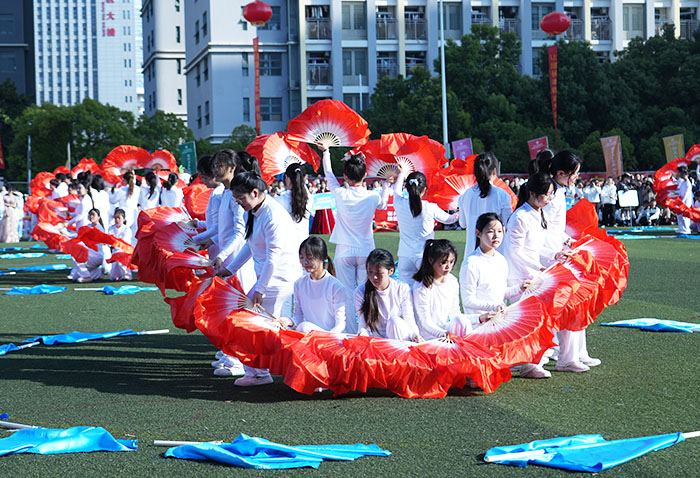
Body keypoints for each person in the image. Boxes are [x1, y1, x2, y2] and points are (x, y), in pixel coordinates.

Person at [223, 172, 303, 386]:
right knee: (260, 325)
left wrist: (261, 289)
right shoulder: (254, 211)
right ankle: (262, 371)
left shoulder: (272, 215)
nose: (239, 204)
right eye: (236, 200)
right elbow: (250, 246)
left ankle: (260, 372)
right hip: (269, 278)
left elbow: (272, 258)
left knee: (251, 322)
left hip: (279, 278)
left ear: (255, 193)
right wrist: (230, 269)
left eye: (241, 198)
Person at [319, 144, 391, 334]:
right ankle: (366, 331)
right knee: (366, 293)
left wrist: (326, 152)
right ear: (365, 175)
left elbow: (329, 174)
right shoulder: (372, 196)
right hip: (366, 250)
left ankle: (352, 333)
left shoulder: (341, 193)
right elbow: (384, 204)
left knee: (349, 296)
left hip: (344, 251)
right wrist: (387, 183)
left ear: (345, 176)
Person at [502, 172, 565, 379]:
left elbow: (535, 247)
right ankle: (528, 363)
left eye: (551, 194)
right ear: (532, 194)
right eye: (546, 194)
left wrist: (554, 255)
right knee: (526, 322)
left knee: (535, 320)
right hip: (520, 276)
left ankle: (529, 361)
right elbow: (515, 251)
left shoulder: (538, 213)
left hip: (533, 274)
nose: (549, 199)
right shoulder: (520, 216)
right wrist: (538, 267)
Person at [460, 213, 530, 330]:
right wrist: (493, 306)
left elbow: (499, 293)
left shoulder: (501, 260)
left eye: (499, 231)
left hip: (499, 323)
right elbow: (468, 300)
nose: (496, 236)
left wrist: (520, 288)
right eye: (490, 231)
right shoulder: (471, 263)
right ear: (478, 233)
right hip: (479, 326)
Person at [392, 171, 459, 282]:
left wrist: (401, 174)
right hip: (425, 256)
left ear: (407, 189)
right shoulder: (430, 208)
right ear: (424, 190)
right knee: (427, 289)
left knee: (405, 290)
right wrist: (461, 210)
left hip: (405, 256)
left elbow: (396, 191)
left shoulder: (399, 203)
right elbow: (450, 219)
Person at [355, 248, 421, 341]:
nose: (374, 277)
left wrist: (415, 335)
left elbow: (409, 319)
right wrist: (362, 335)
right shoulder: (360, 292)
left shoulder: (402, 288)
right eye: (370, 272)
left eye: (379, 273)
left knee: (394, 322)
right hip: (377, 341)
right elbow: (363, 325)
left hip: (400, 337)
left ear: (391, 271)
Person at [412, 239, 472, 339]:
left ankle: (468, 347)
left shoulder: (452, 281)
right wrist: (443, 334)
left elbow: (455, 313)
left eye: (451, 262)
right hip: (427, 336)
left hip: (445, 331)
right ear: (431, 260)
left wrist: (480, 318)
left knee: (462, 321)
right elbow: (425, 322)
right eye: (443, 262)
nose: (448, 266)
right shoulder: (421, 287)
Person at [457, 152, 513, 256]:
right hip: (496, 253)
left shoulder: (465, 196)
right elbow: (508, 225)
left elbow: (463, 224)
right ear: (495, 171)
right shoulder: (502, 195)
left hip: (471, 252)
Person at [292, 236, 347, 334]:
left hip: (332, 336)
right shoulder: (299, 284)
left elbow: (340, 323)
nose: (305, 262)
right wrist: (288, 321)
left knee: (304, 326)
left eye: (310, 258)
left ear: (322, 258)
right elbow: (298, 316)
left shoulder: (335, 286)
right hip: (310, 335)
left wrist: (328, 336)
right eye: (302, 258)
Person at [275, 162, 313, 246]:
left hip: (285, 247)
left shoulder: (278, 201)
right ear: (304, 178)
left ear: (286, 178)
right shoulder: (309, 199)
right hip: (304, 247)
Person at [68, 208, 105, 283]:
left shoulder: (99, 228)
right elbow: (79, 236)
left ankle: (86, 276)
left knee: (76, 254)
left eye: (93, 215)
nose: (91, 216)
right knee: (75, 277)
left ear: (98, 217)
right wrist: (65, 234)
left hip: (96, 256)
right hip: (90, 255)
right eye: (90, 215)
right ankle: (98, 272)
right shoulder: (88, 226)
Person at [108, 208, 134, 281]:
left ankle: (127, 274)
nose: (117, 220)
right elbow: (109, 240)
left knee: (121, 259)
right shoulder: (111, 228)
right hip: (114, 253)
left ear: (124, 219)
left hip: (125, 252)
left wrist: (115, 244)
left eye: (119, 218)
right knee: (113, 277)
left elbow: (124, 242)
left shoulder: (127, 229)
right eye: (115, 218)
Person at [674, 165, 693, 234]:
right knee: (679, 215)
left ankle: (686, 229)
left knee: (684, 215)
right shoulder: (683, 182)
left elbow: (686, 194)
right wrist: (675, 193)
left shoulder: (688, 183)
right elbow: (680, 191)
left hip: (686, 202)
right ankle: (681, 227)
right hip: (681, 200)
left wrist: (682, 201)